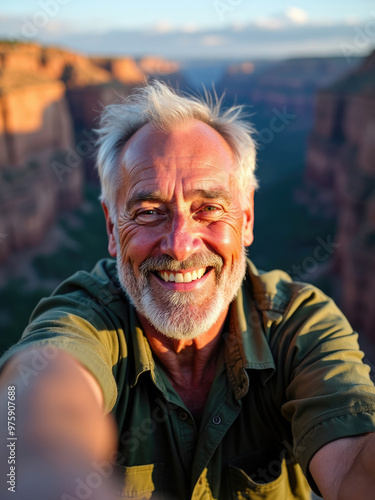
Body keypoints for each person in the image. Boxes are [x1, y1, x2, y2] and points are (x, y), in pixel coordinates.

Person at [1, 81, 375, 500]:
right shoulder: (85, 317)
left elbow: (349, 469)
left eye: (209, 208)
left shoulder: (299, 323)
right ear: (110, 227)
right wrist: (42, 463)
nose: (180, 245)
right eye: (149, 212)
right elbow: (41, 391)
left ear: (247, 217)